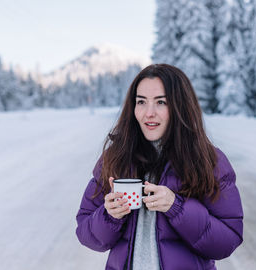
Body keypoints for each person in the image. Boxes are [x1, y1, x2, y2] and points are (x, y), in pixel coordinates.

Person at [76, 64, 243, 270]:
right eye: (141, 102)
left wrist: (177, 207)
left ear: (180, 106)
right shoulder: (115, 158)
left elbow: (228, 241)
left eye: (161, 102)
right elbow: (85, 233)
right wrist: (109, 215)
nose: (149, 113)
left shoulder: (209, 161)